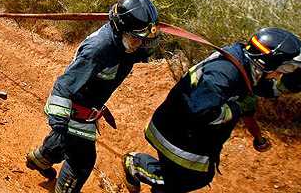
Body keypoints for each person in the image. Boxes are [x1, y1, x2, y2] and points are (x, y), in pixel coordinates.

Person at [123, 27, 301, 193]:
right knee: (191, 179)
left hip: (181, 129)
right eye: (285, 68)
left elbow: (252, 84)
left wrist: (283, 87)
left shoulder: (243, 60)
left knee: (182, 176)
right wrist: (236, 108)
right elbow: (202, 112)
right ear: (267, 62)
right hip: (177, 135)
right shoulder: (223, 74)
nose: (282, 73)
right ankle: (138, 165)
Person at [26, 0, 160, 193]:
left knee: (68, 142)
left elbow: (142, 46)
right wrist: (60, 124)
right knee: (82, 161)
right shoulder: (99, 50)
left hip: (88, 106)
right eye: (135, 39)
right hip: (75, 111)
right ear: (120, 30)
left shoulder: (125, 44)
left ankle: (41, 159)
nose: (139, 44)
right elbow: (64, 86)